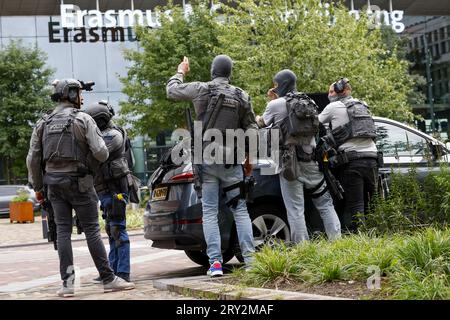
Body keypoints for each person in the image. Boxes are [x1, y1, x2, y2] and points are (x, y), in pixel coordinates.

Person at [26, 79, 135, 297]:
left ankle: (67, 285)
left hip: (53, 185)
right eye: (80, 93)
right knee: (92, 231)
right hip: (81, 183)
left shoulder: (43, 123)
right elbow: (102, 153)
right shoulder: (84, 119)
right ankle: (108, 279)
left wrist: (37, 186)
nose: (82, 98)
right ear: (71, 94)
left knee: (63, 232)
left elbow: (33, 159)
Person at [166, 55, 257, 276]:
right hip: (231, 162)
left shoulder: (201, 89)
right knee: (240, 210)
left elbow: (171, 90)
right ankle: (251, 261)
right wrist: (249, 159)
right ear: (230, 73)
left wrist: (180, 71)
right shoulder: (241, 95)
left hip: (206, 161)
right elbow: (252, 128)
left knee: (209, 212)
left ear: (212, 71)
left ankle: (215, 264)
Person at [256, 69, 341, 243]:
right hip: (312, 162)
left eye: (276, 85)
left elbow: (262, 123)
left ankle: (303, 250)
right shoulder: (309, 101)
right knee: (325, 205)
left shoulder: (275, 104)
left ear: (280, 85)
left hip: (290, 165)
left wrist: (272, 100)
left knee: (295, 210)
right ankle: (337, 244)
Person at [84, 101, 139, 283]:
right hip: (106, 190)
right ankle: (111, 271)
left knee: (118, 230)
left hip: (115, 190)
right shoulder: (104, 135)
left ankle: (122, 273)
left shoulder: (112, 136)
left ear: (98, 121)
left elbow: (95, 156)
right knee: (111, 230)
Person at [318, 78, 380, 232]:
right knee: (370, 204)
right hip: (372, 158)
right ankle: (374, 238)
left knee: (356, 205)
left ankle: (360, 241)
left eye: (332, 91)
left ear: (340, 91)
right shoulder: (363, 105)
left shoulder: (333, 107)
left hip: (352, 161)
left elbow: (314, 123)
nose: (329, 94)